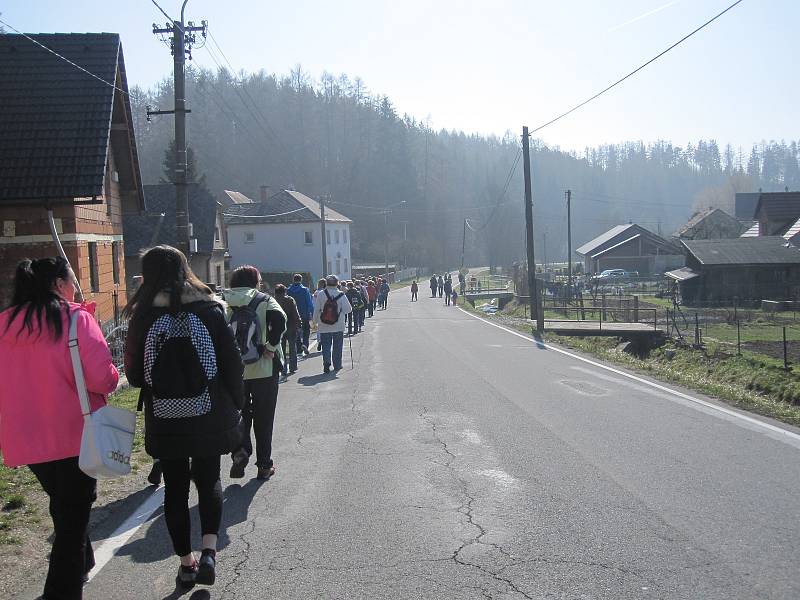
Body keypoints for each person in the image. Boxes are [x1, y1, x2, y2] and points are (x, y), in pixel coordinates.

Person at [124, 246, 244, 589]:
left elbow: (134, 376)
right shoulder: (210, 309)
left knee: (174, 489)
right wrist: (236, 403)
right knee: (209, 482)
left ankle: (186, 564)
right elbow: (232, 363)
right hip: (210, 411)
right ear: (185, 268)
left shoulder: (143, 316)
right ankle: (208, 551)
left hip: (165, 417)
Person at [0, 257, 119, 600]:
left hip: (25, 438)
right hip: (76, 435)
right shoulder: (76, 319)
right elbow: (104, 378)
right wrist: (111, 376)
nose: (75, 287)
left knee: (65, 506)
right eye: (71, 280)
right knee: (72, 519)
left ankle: (84, 562)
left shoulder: (5, 325)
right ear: (57, 284)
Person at [224, 266, 286, 482]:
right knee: (264, 418)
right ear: (255, 281)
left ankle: (240, 452)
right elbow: (280, 320)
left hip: (235, 372)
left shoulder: (223, 301)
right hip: (264, 368)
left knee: (241, 416)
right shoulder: (264, 299)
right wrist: (270, 347)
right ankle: (264, 465)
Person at [312, 275, 352, 373]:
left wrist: (314, 322)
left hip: (324, 324)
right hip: (338, 325)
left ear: (326, 283)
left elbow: (316, 309)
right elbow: (348, 309)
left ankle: (326, 362)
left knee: (326, 345)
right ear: (337, 283)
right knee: (337, 346)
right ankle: (337, 365)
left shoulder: (321, 294)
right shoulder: (341, 294)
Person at [275, 284, 301, 376]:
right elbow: (295, 313)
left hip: (278, 328)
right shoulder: (290, 300)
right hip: (291, 326)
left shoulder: (273, 300)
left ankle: (283, 368)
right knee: (292, 347)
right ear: (285, 291)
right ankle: (293, 367)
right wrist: (299, 323)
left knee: (280, 349)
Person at [287, 274, 313, 357]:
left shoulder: (288, 290)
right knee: (306, 331)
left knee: (296, 331)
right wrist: (311, 313)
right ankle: (305, 344)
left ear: (293, 280)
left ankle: (299, 348)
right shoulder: (305, 290)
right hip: (304, 313)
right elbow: (309, 303)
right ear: (301, 280)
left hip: (292, 315)